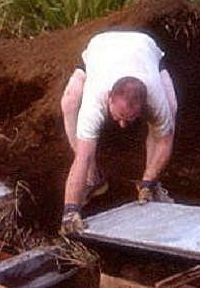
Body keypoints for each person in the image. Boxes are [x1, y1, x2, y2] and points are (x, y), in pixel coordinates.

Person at [59, 28, 178, 236]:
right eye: (119, 117)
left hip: (145, 50)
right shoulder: (95, 99)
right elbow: (82, 157)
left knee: (171, 108)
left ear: (144, 104)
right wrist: (70, 210)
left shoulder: (154, 98)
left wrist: (148, 181)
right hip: (101, 49)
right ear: (109, 99)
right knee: (68, 102)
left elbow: (165, 142)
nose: (122, 125)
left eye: (130, 119)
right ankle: (92, 179)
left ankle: (150, 185)